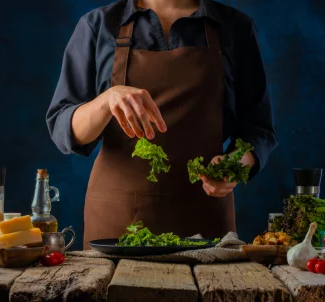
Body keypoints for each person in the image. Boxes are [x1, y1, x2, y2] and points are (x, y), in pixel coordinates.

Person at [46, 0, 278, 249]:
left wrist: (234, 166)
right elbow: (64, 127)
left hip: (205, 220)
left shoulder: (235, 27)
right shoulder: (98, 25)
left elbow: (258, 130)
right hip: (116, 223)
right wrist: (105, 100)